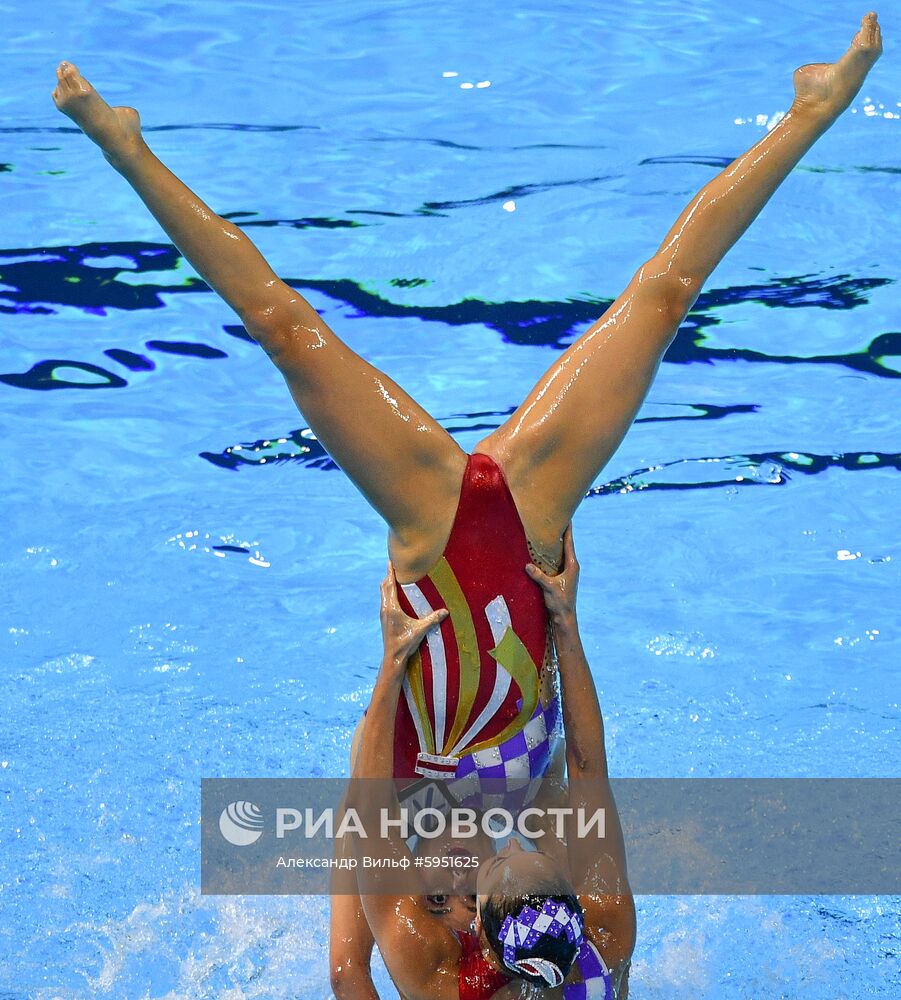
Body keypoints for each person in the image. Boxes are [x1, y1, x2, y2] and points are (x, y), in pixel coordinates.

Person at [343, 525, 634, 998]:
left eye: (498, 866)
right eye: (533, 853)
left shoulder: (435, 979)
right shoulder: (607, 940)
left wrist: (394, 659)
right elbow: (587, 766)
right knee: (552, 797)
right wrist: (563, 619)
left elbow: (371, 822)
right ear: (579, 914)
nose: (512, 845)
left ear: (483, 942)